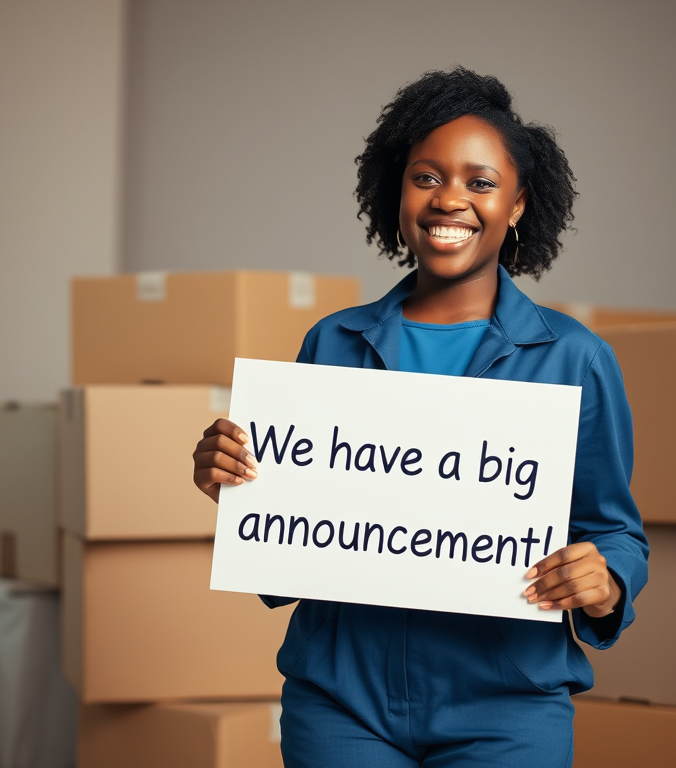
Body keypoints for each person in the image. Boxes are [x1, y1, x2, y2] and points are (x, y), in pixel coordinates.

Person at [192, 67, 648, 768]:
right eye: (426, 177)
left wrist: (606, 579)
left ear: (519, 204)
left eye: (480, 182)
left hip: (508, 707)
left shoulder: (576, 359)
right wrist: (234, 484)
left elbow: (613, 528)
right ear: (396, 192)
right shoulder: (333, 343)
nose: (450, 200)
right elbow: (292, 551)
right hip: (343, 703)